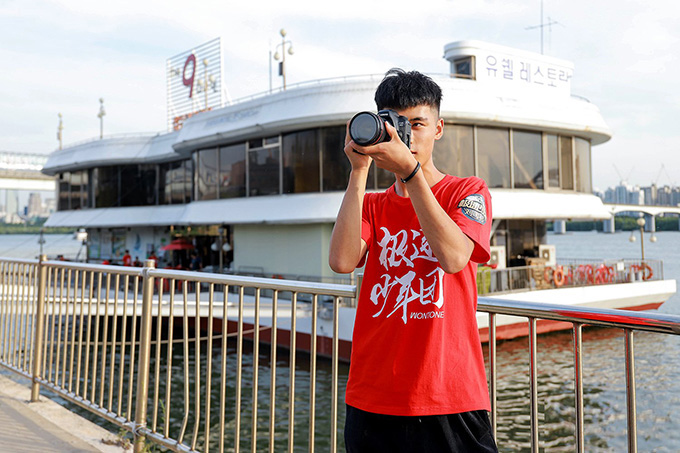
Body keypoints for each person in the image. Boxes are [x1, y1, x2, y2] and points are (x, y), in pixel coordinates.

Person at [329, 69, 497, 452]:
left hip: (449, 394)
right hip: (373, 396)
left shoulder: (467, 191)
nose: (406, 136)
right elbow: (341, 260)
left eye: (417, 124)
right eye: (395, 124)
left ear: (438, 128)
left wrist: (410, 172)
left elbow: (454, 257)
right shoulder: (372, 204)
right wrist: (359, 171)